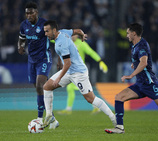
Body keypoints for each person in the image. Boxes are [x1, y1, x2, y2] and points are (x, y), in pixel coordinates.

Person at [42, 20, 116, 128]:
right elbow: (77, 31)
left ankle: (113, 118)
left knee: (90, 99)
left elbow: (67, 63)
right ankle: (49, 116)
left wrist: (58, 78)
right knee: (47, 87)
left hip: (78, 72)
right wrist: (82, 35)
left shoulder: (61, 43)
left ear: (54, 30)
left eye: (47, 31)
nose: (45, 34)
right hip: (69, 71)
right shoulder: (63, 32)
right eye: (44, 31)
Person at [17, 1, 59, 129]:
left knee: (41, 85)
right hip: (32, 60)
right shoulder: (24, 25)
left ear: (36, 13)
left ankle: (40, 118)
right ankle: (51, 118)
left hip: (44, 59)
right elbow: (21, 37)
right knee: (38, 89)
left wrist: (60, 58)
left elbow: (55, 38)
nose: (29, 15)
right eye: (27, 13)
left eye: (31, 13)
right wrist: (21, 46)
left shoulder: (44, 24)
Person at [56, 35, 108, 115]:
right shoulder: (66, 42)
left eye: (74, 35)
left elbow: (91, 52)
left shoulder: (81, 44)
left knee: (78, 89)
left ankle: (69, 109)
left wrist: (100, 61)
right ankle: (95, 107)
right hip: (70, 71)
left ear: (78, 36)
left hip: (79, 72)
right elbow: (54, 39)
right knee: (78, 89)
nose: (73, 36)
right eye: (71, 35)